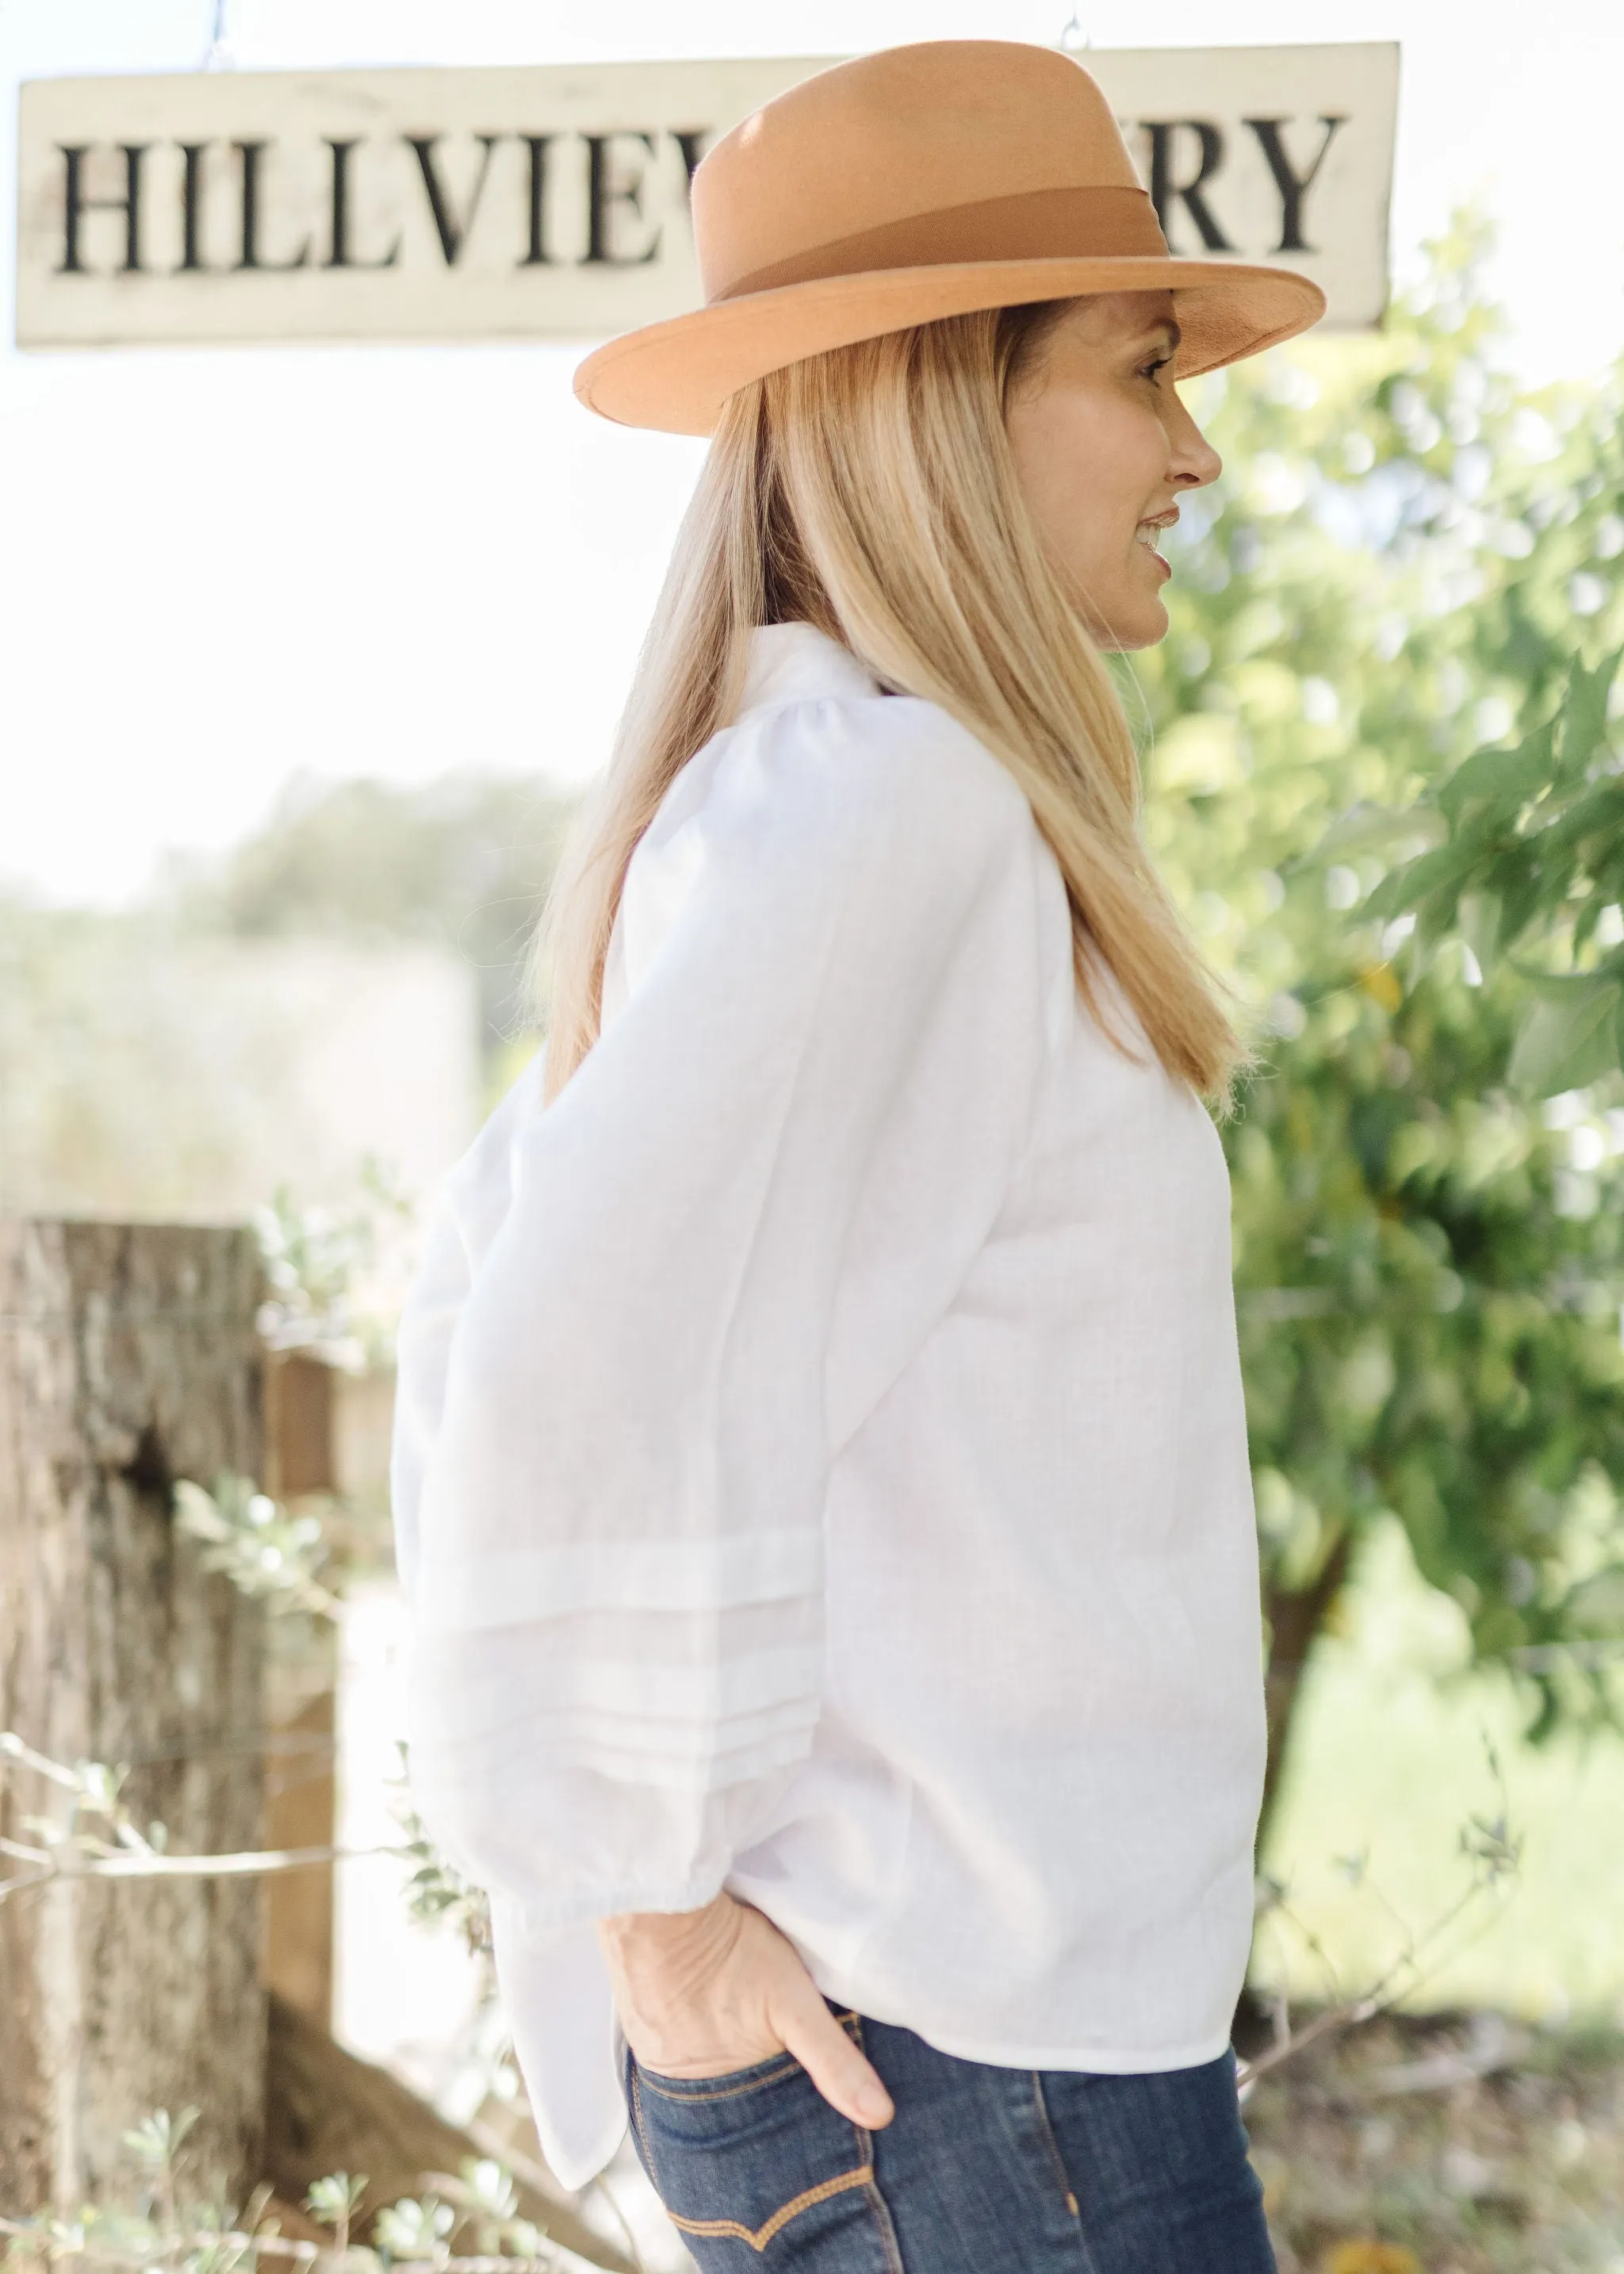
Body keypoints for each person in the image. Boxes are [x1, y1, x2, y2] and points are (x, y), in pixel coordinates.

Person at [393, 38, 1324, 2274]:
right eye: (1141, 367)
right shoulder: (891, 818)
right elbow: (539, 1366)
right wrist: (658, 1906)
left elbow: (505, 1291)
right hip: (980, 2086)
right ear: (943, 393)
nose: (1196, 449)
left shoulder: (840, 811)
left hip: (996, 2068)